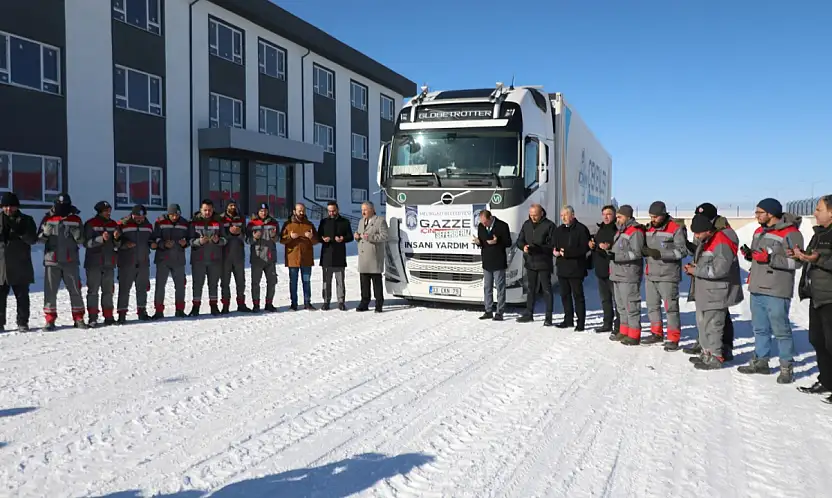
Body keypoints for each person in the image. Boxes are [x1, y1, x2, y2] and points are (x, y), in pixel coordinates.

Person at [737, 198, 804, 384]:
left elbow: (797, 262)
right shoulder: (759, 231)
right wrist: (752, 256)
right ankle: (761, 361)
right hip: (757, 286)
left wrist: (770, 258)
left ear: (771, 213)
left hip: (777, 289)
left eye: (759, 212)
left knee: (781, 329)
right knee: (759, 328)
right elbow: (760, 256)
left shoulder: (791, 233)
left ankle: (786, 366)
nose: (756, 215)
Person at [685, 214, 743, 369]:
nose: (695, 236)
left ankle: (716, 357)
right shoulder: (707, 241)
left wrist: (696, 271)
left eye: (698, 233)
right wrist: (694, 268)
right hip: (706, 291)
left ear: (707, 230)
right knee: (704, 325)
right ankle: (706, 354)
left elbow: (720, 270)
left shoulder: (722, 242)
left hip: (717, 293)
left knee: (714, 326)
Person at [794, 195, 832, 403]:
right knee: (817, 340)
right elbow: (811, 257)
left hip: (830, 297)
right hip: (816, 296)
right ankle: (826, 380)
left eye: (819, 209)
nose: (815, 212)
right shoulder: (818, 234)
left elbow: (823, 260)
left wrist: (820, 259)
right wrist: (799, 255)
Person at [642, 200, 689, 350]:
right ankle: (656, 333)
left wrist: (661, 254)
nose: (653, 219)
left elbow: (682, 251)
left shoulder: (675, 228)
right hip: (651, 274)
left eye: (656, 217)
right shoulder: (648, 229)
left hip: (668, 275)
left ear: (663, 215)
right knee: (652, 306)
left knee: (671, 308)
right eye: (651, 216)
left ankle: (673, 338)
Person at [38, 193, 86, 330]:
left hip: (70, 260)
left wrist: (78, 235)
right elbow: (39, 239)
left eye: (65, 205)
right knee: (50, 292)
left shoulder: (76, 219)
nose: (62, 207)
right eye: (60, 205)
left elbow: (82, 241)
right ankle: (50, 319)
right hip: (52, 260)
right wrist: (45, 233)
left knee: (75, 290)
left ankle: (78, 318)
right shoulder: (48, 218)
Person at [608, 204, 645, 345]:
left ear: (628, 216)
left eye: (619, 217)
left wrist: (616, 256)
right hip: (618, 274)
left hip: (628, 274)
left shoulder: (635, 231)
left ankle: (634, 334)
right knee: (621, 306)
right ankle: (624, 331)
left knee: (631, 306)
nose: (617, 219)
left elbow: (637, 253)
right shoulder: (621, 231)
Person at [0, 192, 37, 332]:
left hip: (20, 263)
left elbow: (32, 240)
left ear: (17, 207)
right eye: (5, 206)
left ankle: (22, 322)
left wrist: (20, 232)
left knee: (22, 296)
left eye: (11, 206)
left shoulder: (26, 220)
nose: (8, 209)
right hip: (1, 265)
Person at [515, 204, 557, 325]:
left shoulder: (549, 225)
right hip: (530, 262)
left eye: (535, 215)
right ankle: (529, 313)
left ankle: (548, 317)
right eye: (531, 215)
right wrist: (524, 247)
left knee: (546, 290)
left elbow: (552, 245)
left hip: (543, 262)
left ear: (541, 213)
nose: (533, 218)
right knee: (530, 289)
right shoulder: (526, 224)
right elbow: (519, 240)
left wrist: (537, 248)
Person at [553, 205, 591, 330]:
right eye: (561, 215)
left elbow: (584, 249)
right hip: (562, 267)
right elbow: (554, 245)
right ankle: (568, 319)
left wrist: (567, 253)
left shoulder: (581, 229)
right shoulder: (559, 230)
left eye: (565, 214)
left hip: (576, 268)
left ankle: (581, 322)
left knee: (578, 296)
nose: (563, 217)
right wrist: (555, 252)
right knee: (564, 295)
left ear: (572, 215)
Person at [115, 205, 154, 324]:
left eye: (142, 217)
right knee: (124, 289)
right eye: (137, 217)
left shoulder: (148, 226)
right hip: (126, 262)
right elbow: (115, 243)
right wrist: (124, 244)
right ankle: (122, 315)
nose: (140, 219)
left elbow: (151, 239)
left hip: (143, 262)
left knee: (142, 288)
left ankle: (142, 312)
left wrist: (153, 244)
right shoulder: (122, 224)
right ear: (132, 215)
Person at [83, 201, 119, 327]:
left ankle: (108, 316)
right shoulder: (91, 224)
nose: (108, 213)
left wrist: (116, 238)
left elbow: (117, 245)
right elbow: (86, 243)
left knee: (108, 291)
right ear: (99, 212)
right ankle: (93, 317)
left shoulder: (114, 224)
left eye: (109, 210)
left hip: (109, 262)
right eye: (106, 211)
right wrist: (100, 239)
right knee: (93, 291)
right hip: (94, 263)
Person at [151, 204, 190, 319]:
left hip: (178, 258)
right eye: (172, 214)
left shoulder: (184, 223)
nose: (175, 217)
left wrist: (186, 243)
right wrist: (163, 244)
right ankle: (158, 311)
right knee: (160, 286)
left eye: (177, 214)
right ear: (168, 214)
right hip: (163, 258)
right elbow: (155, 238)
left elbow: (189, 237)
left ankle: (180, 310)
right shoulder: (160, 222)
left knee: (180, 286)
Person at [189, 199, 227, 316]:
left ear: (213, 210)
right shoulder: (193, 222)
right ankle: (195, 307)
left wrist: (218, 240)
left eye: (209, 210)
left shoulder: (218, 222)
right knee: (197, 284)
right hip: (198, 259)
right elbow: (188, 241)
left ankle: (214, 306)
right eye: (205, 210)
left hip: (214, 258)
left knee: (213, 284)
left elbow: (225, 240)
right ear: (201, 210)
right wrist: (198, 241)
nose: (207, 212)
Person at [472, 209, 512, 321]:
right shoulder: (481, 226)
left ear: (490, 218)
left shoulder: (502, 226)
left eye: (485, 222)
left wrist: (497, 242)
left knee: (500, 287)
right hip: (487, 260)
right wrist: (478, 242)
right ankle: (488, 310)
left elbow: (508, 242)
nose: (483, 224)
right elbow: (482, 242)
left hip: (498, 261)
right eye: (482, 222)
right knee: (487, 287)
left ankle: (500, 311)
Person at [280, 203, 319, 311]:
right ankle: (294, 304)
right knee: (293, 282)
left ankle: (307, 303)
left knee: (306, 281)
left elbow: (316, 240)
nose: (301, 212)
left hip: (306, 259)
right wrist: (290, 237)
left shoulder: (309, 224)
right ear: (294, 211)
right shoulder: (288, 225)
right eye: (299, 210)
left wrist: (311, 237)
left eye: (303, 210)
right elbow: (282, 240)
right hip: (293, 258)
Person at [589, 204, 620, 334]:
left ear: (614, 216)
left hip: (613, 269)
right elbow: (597, 246)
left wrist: (609, 246)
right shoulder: (600, 228)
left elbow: (620, 248)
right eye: (604, 214)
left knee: (617, 300)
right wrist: (592, 245)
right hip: (600, 269)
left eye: (609, 214)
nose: (606, 217)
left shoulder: (617, 229)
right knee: (605, 299)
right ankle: (607, 323)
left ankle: (618, 326)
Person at [318, 201, 354, 311]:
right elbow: (318, 236)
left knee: (340, 282)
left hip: (339, 256)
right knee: (326, 282)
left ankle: (341, 302)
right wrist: (323, 239)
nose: (331, 213)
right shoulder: (324, 222)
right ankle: (326, 301)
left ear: (337, 209)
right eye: (329, 211)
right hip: (327, 256)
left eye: (333, 210)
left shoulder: (344, 222)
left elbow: (350, 236)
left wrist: (343, 238)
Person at [354, 201, 388, 312]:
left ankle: (379, 303)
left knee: (376, 283)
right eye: (362, 209)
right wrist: (357, 236)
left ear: (372, 209)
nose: (363, 212)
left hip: (374, 257)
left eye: (365, 209)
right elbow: (361, 235)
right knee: (364, 282)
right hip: (363, 257)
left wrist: (370, 237)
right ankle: (364, 302)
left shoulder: (380, 220)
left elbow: (384, 236)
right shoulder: (361, 221)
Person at [247, 202, 280, 313]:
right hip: (257, 258)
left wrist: (274, 236)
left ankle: (269, 303)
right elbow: (247, 240)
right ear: (258, 212)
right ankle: (256, 304)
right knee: (255, 282)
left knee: (271, 281)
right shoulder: (252, 223)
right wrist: (254, 238)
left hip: (270, 257)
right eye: (261, 211)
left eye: (265, 211)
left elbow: (277, 239)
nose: (263, 213)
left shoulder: (273, 222)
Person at [220, 200, 249, 313]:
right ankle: (225, 306)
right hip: (225, 255)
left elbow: (246, 235)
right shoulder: (221, 218)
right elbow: (219, 235)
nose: (233, 207)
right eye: (230, 205)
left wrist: (239, 233)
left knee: (240, 282)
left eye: (234, 205)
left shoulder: (241, 218)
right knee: (225, 282)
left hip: (238, 254)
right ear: (226, 206)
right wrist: (230, 232)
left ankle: (241, 304)